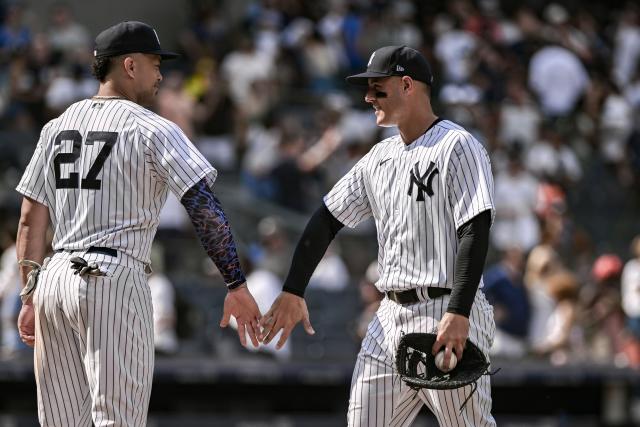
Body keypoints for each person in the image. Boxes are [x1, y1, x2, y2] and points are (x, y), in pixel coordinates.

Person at [15, 21, 261, 427]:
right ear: (129, 66)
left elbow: (29, 220)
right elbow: (203, 207)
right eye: (154, 63)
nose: (161, 74)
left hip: (54, 279)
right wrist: (235, 282)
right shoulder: (154, 128)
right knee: (118, 421)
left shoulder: (55, 127)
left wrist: (29, 294)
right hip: (111, 275)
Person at [260, 45, 497, 426]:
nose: (368, 97)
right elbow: (325, 220)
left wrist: (458, 311)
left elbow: (475, 229)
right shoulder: (377, 158)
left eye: (377, 88)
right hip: (388, 315)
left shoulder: (459, 145)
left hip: (445, 308)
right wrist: (293, 289)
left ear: (407, 85)